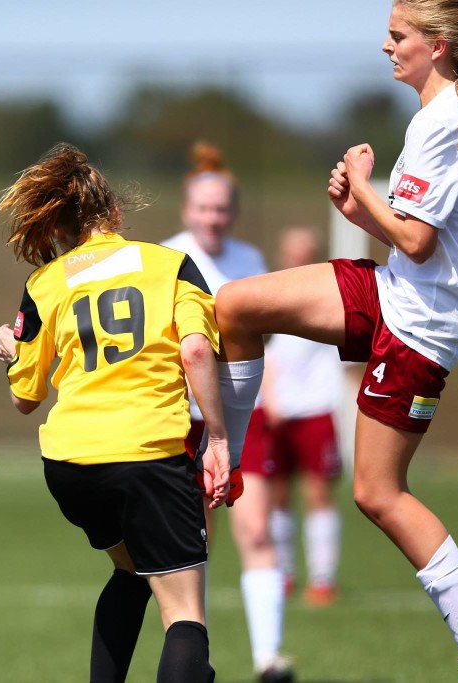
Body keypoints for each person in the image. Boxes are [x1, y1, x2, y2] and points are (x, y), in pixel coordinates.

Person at [210, 2, 458, 682]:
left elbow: (418, 241)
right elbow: (412, 241)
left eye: (398, 36)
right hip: (395, 293)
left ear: (438, 46)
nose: (385, 45)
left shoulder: (443, 122)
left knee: (377, 492)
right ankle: (229, 462)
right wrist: (357, 209)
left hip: (421, 327)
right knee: (236, 305)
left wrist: (364, 187)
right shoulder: (437, 117)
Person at [0, 142, 231, 683]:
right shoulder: (171, 265)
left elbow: (24, 398)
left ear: (60, 227)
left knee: (130, 574)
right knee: (185, 615)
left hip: (71, 467)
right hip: (147, 454)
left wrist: (12, 354)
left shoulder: (45, 282)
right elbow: (196, 350)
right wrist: (217, 438)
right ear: (115, 213)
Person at [160, 142, 293, 683]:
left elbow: (267, 341)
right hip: (181, 418)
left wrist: (276, 388)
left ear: (232, 212)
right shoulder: (165, 260)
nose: (212, 217)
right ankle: (197, 662)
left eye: (221, 208)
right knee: (194, 544)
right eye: (203, 208)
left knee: (257, 529)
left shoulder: (250, 262)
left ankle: (269, 659)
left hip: (241, 413)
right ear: (187, 210)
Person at [261, 227, 345, 607]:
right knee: (276, 495)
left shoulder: (332, 295)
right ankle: (283, 573)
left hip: (316, 410)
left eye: (306, 252)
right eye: (293, 253)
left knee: (318, 492)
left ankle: (323, 578)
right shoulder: (266, 295)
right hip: (277, 412)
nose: (299, 259)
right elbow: (261, 353)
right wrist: (268, 398)